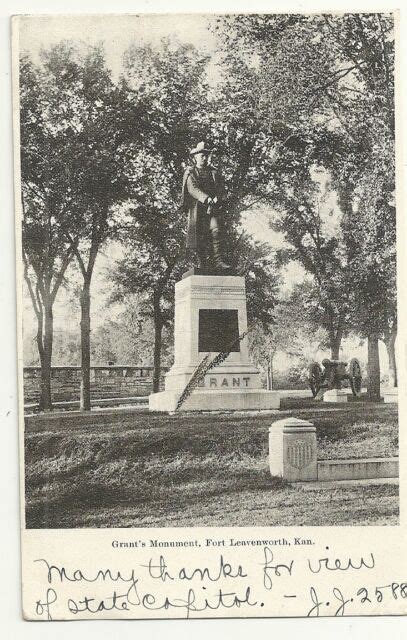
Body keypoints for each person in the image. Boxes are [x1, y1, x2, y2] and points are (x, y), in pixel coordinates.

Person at [180, 141, 231, 271]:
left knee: (216, 231)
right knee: (199, 235)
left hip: (213, 208)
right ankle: (202, 263)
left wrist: (217, 198)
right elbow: (192, 189)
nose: (204, 157)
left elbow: (221, 189)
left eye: (205, 155)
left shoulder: (214, 172)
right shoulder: (191, 172)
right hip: (198, 209)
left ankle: (219, 261)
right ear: (195, 157)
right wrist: (206, 198)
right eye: (201, 155)